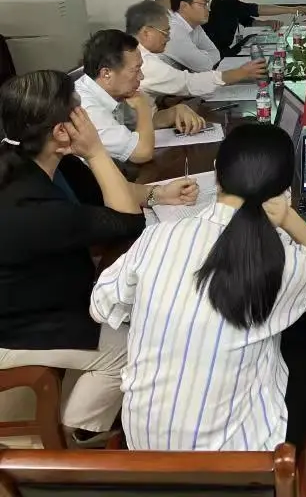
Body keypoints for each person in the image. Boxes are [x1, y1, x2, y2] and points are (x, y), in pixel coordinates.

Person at [91, 123, 306, 479]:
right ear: (284, 190)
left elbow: (101, 305)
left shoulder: (158, 237)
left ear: (216, 173)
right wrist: (288, 218)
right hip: (237, 465)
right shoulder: (283, 261)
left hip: (144, 448)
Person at [0, 71, 198, 446]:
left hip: (42, 295)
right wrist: (95, 151)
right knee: (130, 343)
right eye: (79, 112)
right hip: (18, 323)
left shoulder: (47, 162)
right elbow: (126, 222)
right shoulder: (29, 204)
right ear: (62, 131)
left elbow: (111, 195)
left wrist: (158, 194)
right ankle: (78, 434)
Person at [76, 30, 205, 164]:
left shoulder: (110, 90)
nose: (141, 76)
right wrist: (142, 106)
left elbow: (140, 127)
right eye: (136, 69)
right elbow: (142, 152)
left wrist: (174, 112)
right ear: (106, 74)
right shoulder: (86, 107)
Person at [125, 1, 266, 102]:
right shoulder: (144, 63)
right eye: (165, 33)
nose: (168, 38)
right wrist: (241, 72)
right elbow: (189, 83)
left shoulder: (139, 54)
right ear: (146, 33)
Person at [204, 0, 306, 57]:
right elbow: (256, 9)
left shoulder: (229, 0)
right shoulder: (224, 0)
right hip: (218, 54)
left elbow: (248, 21)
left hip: (223, 50)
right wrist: (291, 9)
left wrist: (266, 23)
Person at [162, 0, 221, 72]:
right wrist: (200, 57)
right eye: (203, 4)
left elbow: (215, 53)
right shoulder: (173, 30)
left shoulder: (195, 25)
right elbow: (204, 66)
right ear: (184, 6)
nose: (208, 9)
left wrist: (200, 57)